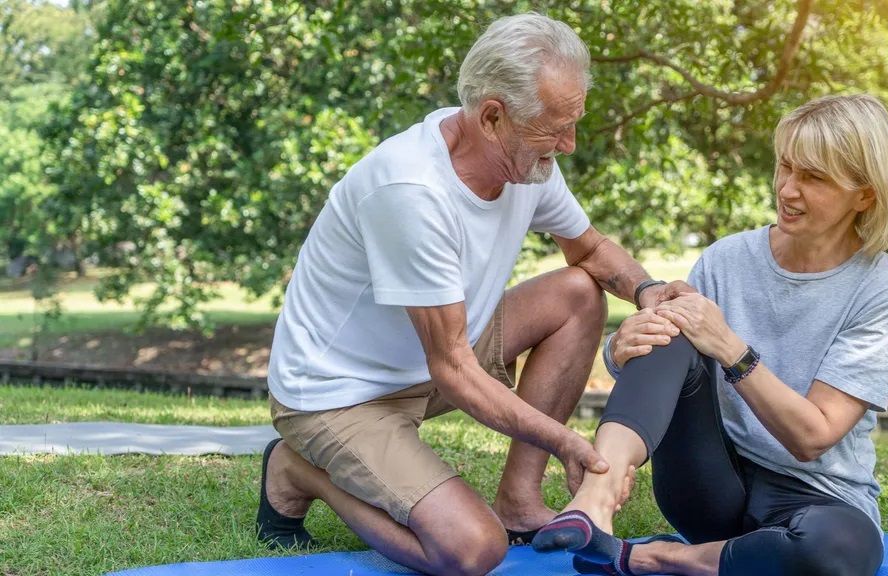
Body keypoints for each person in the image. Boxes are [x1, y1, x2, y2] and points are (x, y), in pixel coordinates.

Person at [255, 13, 688, 576]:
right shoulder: (411, 191)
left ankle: (520, 500)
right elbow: (455, 368)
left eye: (572, 123)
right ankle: (299, 470)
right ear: (491, 116)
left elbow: (589, 252)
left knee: (579, 293)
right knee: (471, 552)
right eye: (556, 127)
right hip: (337, 395)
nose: (569, 144)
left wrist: (649, 290)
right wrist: (566, 441)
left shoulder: (528, 161)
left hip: (433, 361)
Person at [531, 94, 888, 576]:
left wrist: (731, 349)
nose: (788, 190)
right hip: (710, 483)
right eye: (785, 167)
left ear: (865, 195)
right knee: (674, 321)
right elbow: (672, 359)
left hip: (818, 498)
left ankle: (658, 557)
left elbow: (812, 437)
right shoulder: (727, 259)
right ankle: (595, 500)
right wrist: (620, 348)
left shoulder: (883, 290)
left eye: (814, 178)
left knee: (835, 554)